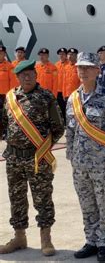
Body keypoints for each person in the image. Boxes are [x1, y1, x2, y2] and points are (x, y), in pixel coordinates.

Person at [65, 52, 105, 262]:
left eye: (88, 67)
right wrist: (70, 156)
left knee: (104, 203)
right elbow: (70, 130)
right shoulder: (72, 98)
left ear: (97, 71)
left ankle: (104, 243)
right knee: (86, 203)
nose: (82, 71)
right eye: (80, 67)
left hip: (102, 164)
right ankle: (91, 240)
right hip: (80, 164)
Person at [0, 59, 64, 256]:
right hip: (13, 158)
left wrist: (44, 148)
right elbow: (4, 124)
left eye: (30, 73)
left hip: (38, 158)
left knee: (42, 198)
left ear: (36, 75)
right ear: (17, 77)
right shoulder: (11, 97)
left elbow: (58, 128)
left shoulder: (46, 97)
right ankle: (19, 237)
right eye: (22, 74)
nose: (27, 77)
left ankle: (46, 238)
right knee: (16, 198)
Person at [55, 47, 69, 121]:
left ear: (66, 55)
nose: (61, 56)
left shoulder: (70, 65)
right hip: (58, 91)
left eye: (63, 54)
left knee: (67, 109)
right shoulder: (56, 65)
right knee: (59, 109)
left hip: (66, 92)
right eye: (60, 54)